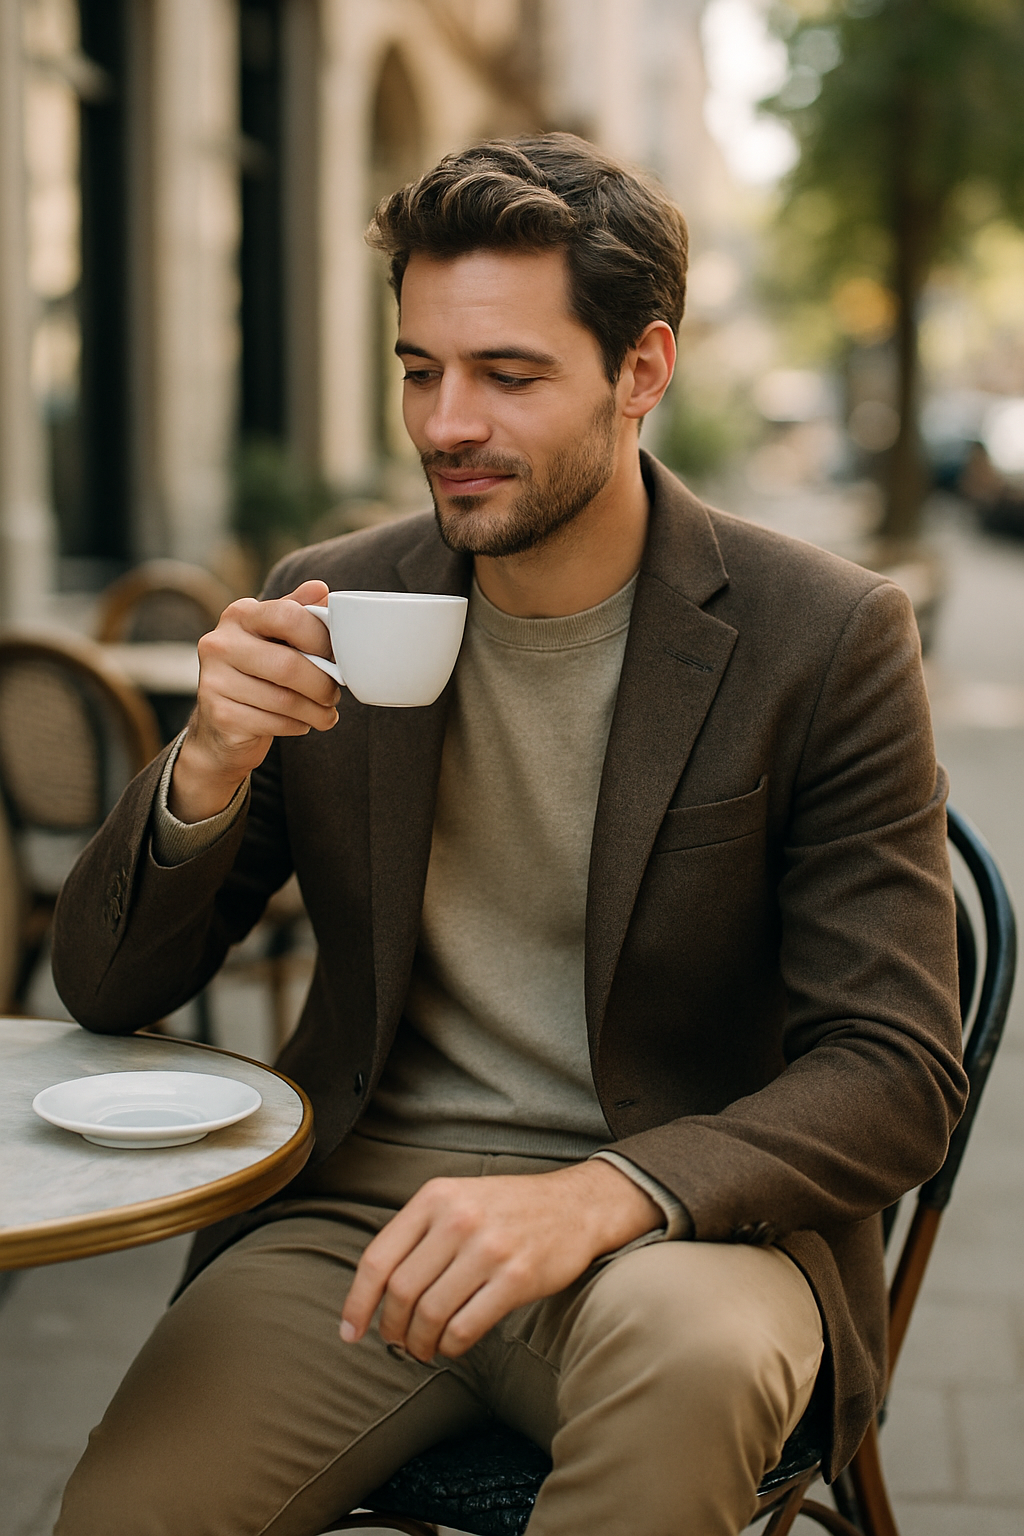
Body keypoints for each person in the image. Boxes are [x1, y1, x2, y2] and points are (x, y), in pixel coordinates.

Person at [51, 134, 966, 1536]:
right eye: (421, 369)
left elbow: (898, 1069)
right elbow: (107, 991)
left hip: (682, 1234)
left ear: (643, 371)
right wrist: (205, 769)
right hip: (357, 1229)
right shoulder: (329, 601)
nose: (443, 422)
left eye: (508, 375)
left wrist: (610, 1193)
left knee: (698, 1372)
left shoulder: (823, 637)